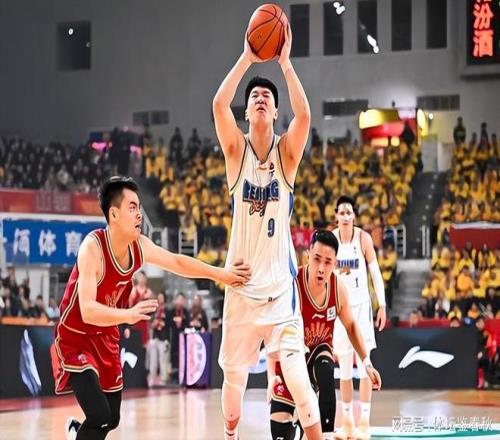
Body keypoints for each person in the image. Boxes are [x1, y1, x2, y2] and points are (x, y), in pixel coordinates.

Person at [52, 176, 250, 440]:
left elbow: (177, 262)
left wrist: (221, 274)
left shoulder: (140, 247)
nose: (138, 214)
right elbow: (87, 310)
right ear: (114, 214)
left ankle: (77, 433)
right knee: (99, 415)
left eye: (139, 207)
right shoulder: (93, 248)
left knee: (112, 418)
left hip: (105, 335)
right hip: (77, 337)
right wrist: (128, 314)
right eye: (132, 207)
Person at [213, 23, 322, 439]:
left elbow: (306, 116)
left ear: (276, 113)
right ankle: (231, 433)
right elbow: (218, 104)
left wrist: (285, 64)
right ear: (247, 112)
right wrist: (247, 56)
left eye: (267, 97)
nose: (260, 98)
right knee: (234, 385)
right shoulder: (236, 152)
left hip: (278, 292)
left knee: (298, 380)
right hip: (240, 290)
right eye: (255, 96)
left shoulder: (286, 155)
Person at [269, 230, 382, 440]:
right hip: (290, 359)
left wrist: (367, 362)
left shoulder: (338, 289)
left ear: (335, 264)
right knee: (280, 432)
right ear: (308, 255)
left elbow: (351, 326)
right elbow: (272, 332)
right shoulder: (292, 284)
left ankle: (327, 435)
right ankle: (298, 423)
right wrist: (270, 377)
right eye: (317, 259)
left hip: (317, 355)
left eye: (328, 262)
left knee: (326, 367)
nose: (321, 268)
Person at [332, 195, 387, 440]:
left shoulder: (363, 238)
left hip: (362, 309)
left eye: (349, 212)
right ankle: (347, 422)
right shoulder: (330, 240)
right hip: (339, 311)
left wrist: (381, 305)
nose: (345, 216)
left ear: (354, 216)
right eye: (341, 212)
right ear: (336, 216)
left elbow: (375, 273)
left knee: (365, 366)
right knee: (344, 369)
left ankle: (364, 422)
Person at [166, 292, 190, 381]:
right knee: (173, 356)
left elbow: (188, 323)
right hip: (173, 336)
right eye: (178, 299)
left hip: (183, 337)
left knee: (182, 356)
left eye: (182, 300)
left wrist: (182, 321)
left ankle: (182, 375)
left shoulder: (186, 312)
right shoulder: (171, 311)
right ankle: (174, 376)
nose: (180, 302)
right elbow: (167, 323)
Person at [147, 292, 169, 387]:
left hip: (163, 338)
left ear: (164, 299)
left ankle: (163, 379)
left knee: (162, 360)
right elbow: (150, 324)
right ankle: (152, 378)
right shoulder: (154, 310)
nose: (160, 299)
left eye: (161, 297)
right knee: (153, 360)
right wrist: (154, 323)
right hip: (154, 337)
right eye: (158, 297)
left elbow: (169, 325)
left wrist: (162, 324)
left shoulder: (167, 311)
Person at [128, 270, 154, 348]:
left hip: (145, 322)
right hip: (135, 322)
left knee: (144, 346)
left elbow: (152, 309)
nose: (142, 279)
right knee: (135, 345)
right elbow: (129, 306)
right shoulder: (133, 291)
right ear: (138, 278)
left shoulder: (149, 292)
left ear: (146, 279)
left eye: (143, 278)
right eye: (140, 277)